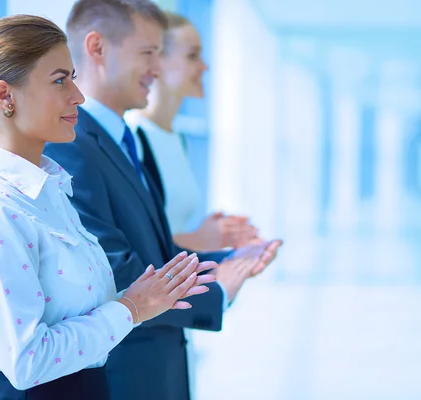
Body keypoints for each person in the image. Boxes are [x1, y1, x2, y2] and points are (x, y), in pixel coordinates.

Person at [43, 1, 282, 399]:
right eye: (148, 54)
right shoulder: (71, 146)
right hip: (121, 377)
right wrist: (218, 291)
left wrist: (229, 262)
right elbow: (117, 274)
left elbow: (156, 252)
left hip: (158, 371)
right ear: (97, 48)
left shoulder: (126, 139)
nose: (156, 68)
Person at [0, 14, 215, 400]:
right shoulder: (1, 208)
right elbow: (26, 360)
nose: (77, 96)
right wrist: (130, 308)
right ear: (4, 95)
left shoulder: (52, 191)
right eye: (60, 80)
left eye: (74, 78)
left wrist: (142, 299)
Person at [124, 11, 277, 397]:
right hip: (143, 332)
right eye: (192, 55)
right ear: (157, 60)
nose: (204, 66)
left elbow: (164, 227)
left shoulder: (177, 139)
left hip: (173, 326)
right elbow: (131, 245)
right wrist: (200, 238)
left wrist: (218, 240)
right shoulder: (133, 140)